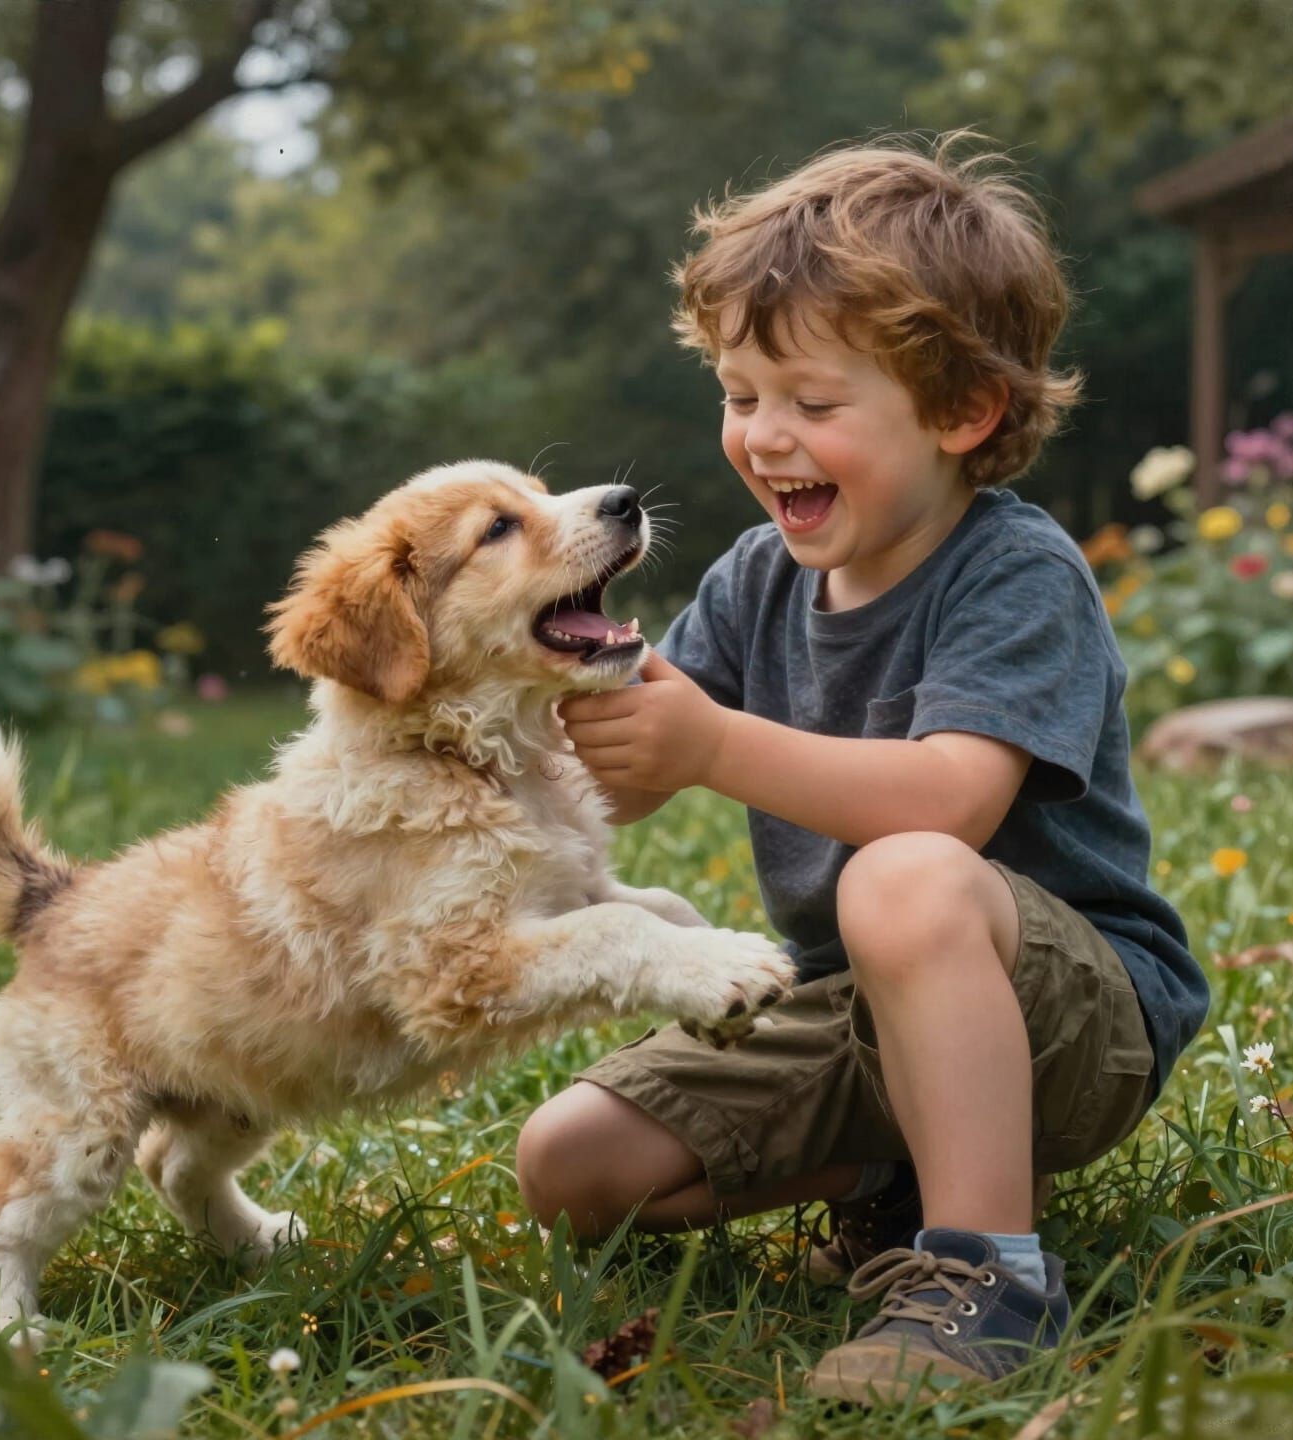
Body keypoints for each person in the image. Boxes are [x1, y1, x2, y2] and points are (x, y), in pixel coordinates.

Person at [514, 130, 1208, 1403]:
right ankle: (896, 1176)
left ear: (963, 411)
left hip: (1075, 1014)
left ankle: (987, 1277)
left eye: (813, 404)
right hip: (858, 1014)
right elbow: (620, 780)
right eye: (739, 395)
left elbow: (952, 800)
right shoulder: (753, 579)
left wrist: (713, 745)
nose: (764, 437)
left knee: (902, 875)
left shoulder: (1015, 570)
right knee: (570, 1165)